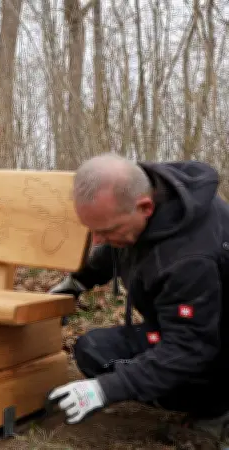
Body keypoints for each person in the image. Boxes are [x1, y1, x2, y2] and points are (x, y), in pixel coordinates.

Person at [46, 153, 229, 444]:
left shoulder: (191, 258)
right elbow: (114, 248)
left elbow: (191, 347)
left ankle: (214, 409)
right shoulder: (149, 197)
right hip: (183, 327)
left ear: (145, 207)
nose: (96, 240)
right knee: (93, 350)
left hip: (213, 347)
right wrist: (76, 282)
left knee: (186, 366)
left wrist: (106, 389)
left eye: (105, 231)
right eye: (92, 230)